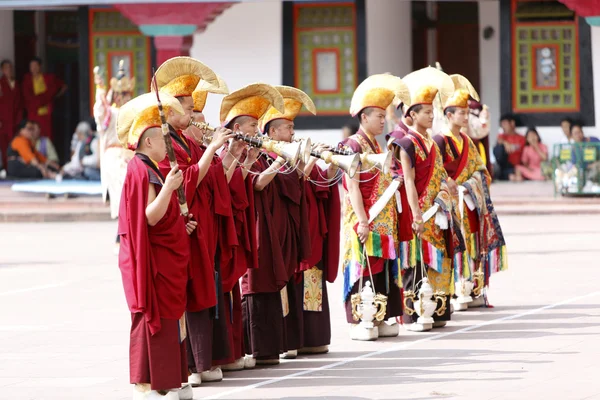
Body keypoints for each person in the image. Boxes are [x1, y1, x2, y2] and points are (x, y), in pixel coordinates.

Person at [154, 56, 239, 386]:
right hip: (182, 227)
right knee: (189, 293)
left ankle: (204, 359)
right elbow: (183, 180)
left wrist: (227, 153)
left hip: (202, 226)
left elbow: (212, 178)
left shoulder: (185, 139)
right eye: (187, 108)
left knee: (204, 289)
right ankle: (190, 363)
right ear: (171, 109)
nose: (191, 114)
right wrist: (210, 151)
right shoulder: (164, 141)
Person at [116, 92, 196, 400]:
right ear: (149, 142)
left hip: (162, 256)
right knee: (157, 318)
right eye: (163, 141)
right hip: (153, 261)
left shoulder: (145, 168)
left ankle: (173, 379)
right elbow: (149, 217)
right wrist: (170, 190)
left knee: (171, 318)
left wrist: (179, 222)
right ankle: (151, 384)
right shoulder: (144, 169)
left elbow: (160, 218)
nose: (167, 147)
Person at [258, 85, 340, 356]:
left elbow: (318, 183)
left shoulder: (294, 152)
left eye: (293, 128)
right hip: (284, 229)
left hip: (309, 227)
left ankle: (313, 338)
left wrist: (332, 164)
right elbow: (290, 185)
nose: (292, 133)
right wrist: (302, 161)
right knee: (291, 283)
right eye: (287, 128)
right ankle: (292, 339)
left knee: (311, 280)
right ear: (272, 132)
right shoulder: (265, 157)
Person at [340, 74, 409, 341]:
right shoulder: (352, 145)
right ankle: (360, 318)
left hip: (382, 219)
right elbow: (353, 186)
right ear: (364, 117)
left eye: (384, 116)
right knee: (363, 267)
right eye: (378, 116)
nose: (383, 120)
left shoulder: (376, 144)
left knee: (381, 269)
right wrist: (362, 220)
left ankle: (379, 316)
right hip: (364, 217)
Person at [391, 68, 459, 332]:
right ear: (411, 115)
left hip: (437, 211)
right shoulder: (406, 143)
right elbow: (408, 180)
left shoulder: (432, 143)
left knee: (438, 259)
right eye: (426, 112)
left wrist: (448, 188)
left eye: (433, 111)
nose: (431, 116)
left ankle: (438, 309)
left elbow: (440, 173)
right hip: (419, 210)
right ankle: (415, 312)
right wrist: (416, 214)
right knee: (415, 260)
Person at [433, 86, 507, 310]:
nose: (466, 117)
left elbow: (481, 170)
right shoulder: (440, 140)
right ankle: (456, 289)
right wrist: (448, 182)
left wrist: (469, 186)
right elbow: (434, 172)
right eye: (462, 113)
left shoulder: (467, 141)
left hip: (469, 202)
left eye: (467, 113)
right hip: (451, 205)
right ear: (449, 115)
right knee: (455, 243)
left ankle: (473, 287)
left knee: (473, 243)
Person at [93, 61, 135, 248]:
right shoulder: (111, 113)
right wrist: (100, 89)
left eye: (127, 94)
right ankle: (122, 231)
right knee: (121, 190)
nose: (125, 97)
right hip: (115, 155)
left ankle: (129, 229)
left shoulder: (134, 112)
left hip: (132, 155)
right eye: (122, 94)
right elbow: (99, 112)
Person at [22, 57, 67, 141]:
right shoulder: (27, 80)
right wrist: (44, 98)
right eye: (31, 66)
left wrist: (55, 97)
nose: (34, 68)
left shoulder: (48, 78)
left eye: (36, 65)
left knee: (46, 137)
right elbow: (27, 98)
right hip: (33, 113)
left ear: (40, 66)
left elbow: (64, 86)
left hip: (46, 113)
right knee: (33, 137)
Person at [0, 60, 22, 166]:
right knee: (5, 145)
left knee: (15, 144)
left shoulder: (16, 83)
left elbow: (20, 102)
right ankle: (6, 167)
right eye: (6, 68)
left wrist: (19, 119)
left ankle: (15, 167)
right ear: (2, 70)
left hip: (15, 120)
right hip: (3, 121)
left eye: (10, 68)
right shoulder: (1, 83)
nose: (8, 70)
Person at [493, 114, 526, 181]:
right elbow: (499, 141)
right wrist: (505, 143)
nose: (503, 127)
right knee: (498, 148)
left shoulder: (521, 138)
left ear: (512, 123)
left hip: (517, 166)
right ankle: (509, 175)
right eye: (502, 125)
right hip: (504, 166)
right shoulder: (502, 136)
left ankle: (511, 176)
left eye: (505, 124)